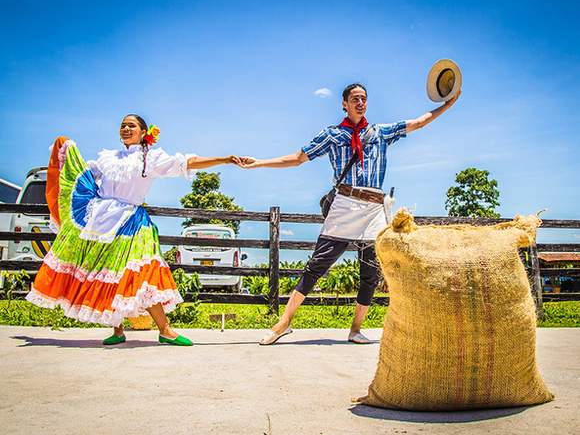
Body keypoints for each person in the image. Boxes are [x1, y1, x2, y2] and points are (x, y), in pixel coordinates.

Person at [240, 83, 460, 345]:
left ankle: (355, 329)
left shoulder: (380, 132)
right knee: (316, 266)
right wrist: (260, 163)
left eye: (364, 99)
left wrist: (447, 105)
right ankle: (283, 323)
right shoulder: (333, 135)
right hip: (345, 203)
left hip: (374, 208)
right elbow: (298, 158)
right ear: (344, 104)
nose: (360, 103)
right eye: (355, 99)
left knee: (370, 272)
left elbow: (418, 123)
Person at [27, 114, 241, 346]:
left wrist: (226, 159)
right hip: (100, 220)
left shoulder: (150, 158)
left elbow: (188, 163)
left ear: (143, 132)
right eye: (123, 125)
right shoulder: (107, 158)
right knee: (108, 274)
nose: (126, 128)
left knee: (142, 274)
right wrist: (66, 152)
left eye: (131, 125)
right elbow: (84, 175)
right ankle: (118, 330)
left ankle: (165, 329)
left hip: (131, 222)